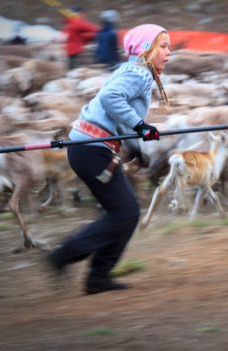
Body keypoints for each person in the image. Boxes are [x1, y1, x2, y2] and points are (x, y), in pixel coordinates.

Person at [46, 23, 171, 295]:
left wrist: (136, 149)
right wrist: (140, 127)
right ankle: (66, 256)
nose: (168, 52)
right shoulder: (139, 73)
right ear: (145, 49)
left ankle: (98, 276)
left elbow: (118, 116)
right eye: (162, 46)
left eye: (168, 47)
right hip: (92, 149)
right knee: (124, 212)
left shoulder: (132, 70)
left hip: (88, 148)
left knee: (123, 212)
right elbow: (111, 98)